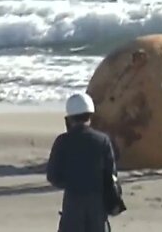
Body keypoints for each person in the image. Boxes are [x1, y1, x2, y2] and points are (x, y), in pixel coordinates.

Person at [47, 93, 117, 232]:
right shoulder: (102, 140)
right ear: (90, 116)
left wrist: (70, 183)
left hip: (72, 204)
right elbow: (111, 175)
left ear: (70, 118)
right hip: (97, 205)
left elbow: (53, 176)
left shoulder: (62, 141)